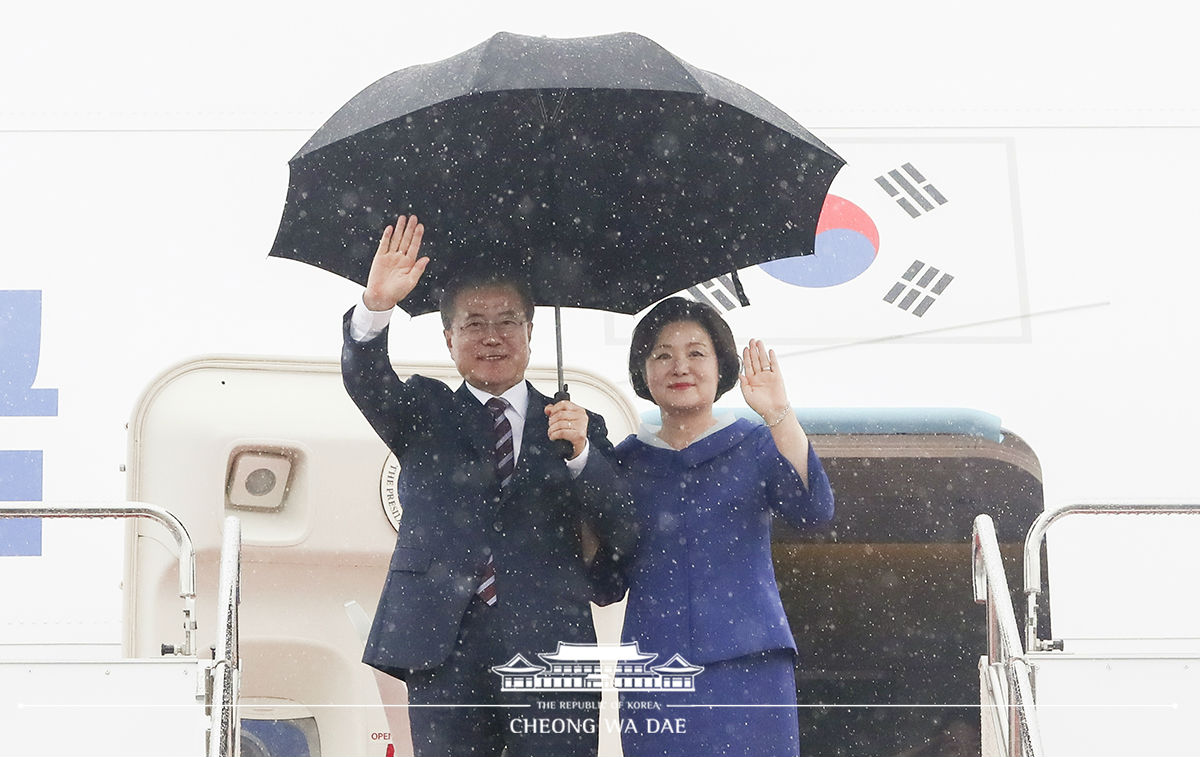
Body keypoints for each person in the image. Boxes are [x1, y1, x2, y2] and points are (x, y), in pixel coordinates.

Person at [341, 214, 637, 757]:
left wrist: (583, 456)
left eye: (508, 320)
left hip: (551, 645)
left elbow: (624, 524)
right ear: (449, 337)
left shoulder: (578, 423)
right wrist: (375, 306)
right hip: (443, 643)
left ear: (529, 332)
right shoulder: (422, 412)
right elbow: (366, 378)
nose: (492, 335)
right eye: (474, 322)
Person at [614, 297, 835, 757]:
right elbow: (603, 578)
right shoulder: (623, 463)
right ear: (644, 372)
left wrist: (779, 413)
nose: (681, 366)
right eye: (662, 354)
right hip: (655, 669)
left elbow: (813, 510)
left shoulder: (754, 444)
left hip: (750, 665)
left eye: (696, 353)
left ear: (721, 367)